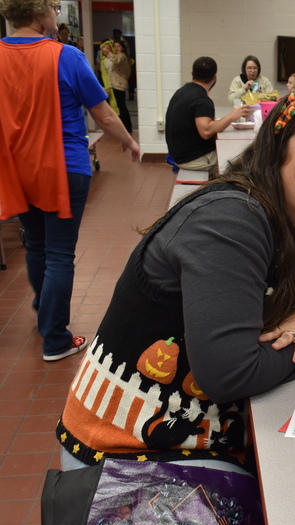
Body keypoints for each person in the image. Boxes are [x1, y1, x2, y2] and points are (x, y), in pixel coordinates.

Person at [56, 83, 295, 474]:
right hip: (125, 454)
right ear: (277, 148)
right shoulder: (232, 219)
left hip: (201, 440)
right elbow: (230, 374)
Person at [0, 0, 139, 361]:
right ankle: (56, 340)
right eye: (53, 9)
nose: (55, 16)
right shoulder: (67, 57)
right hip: (63, 167)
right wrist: (128, 140)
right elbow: (104, 115)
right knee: (60, 254)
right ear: (37, 13)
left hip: (17, 170)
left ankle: (44, 309)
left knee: (36, 244)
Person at [165, 56, 251, 172]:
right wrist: (231, 116)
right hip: (193, 159)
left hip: (180, 154)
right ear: (215, 77)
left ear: (192, 73)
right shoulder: (201, 99)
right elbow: (206, 132)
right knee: (241, 160)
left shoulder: (182, 91)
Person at [109, 40, 133, 133]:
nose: (116, 48)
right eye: (114, 46)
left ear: (122, 48)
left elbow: (116, 60)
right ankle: (128, 127)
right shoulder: (124, 56)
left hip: (118, 84)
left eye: (118, 46)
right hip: (120, 83)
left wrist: (108, 53)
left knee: (121, 107)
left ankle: (125, 128)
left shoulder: (121, 55)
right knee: (122, 106)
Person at [98, 40, 119, 115]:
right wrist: (107, 87)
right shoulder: (103, 61)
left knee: (120, 104)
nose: (106, 50)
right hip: (110, 85)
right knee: (113, 104)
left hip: (118, 83)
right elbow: (104, 75)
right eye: (104, 48)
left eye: (108, 48)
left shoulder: (115, 57)